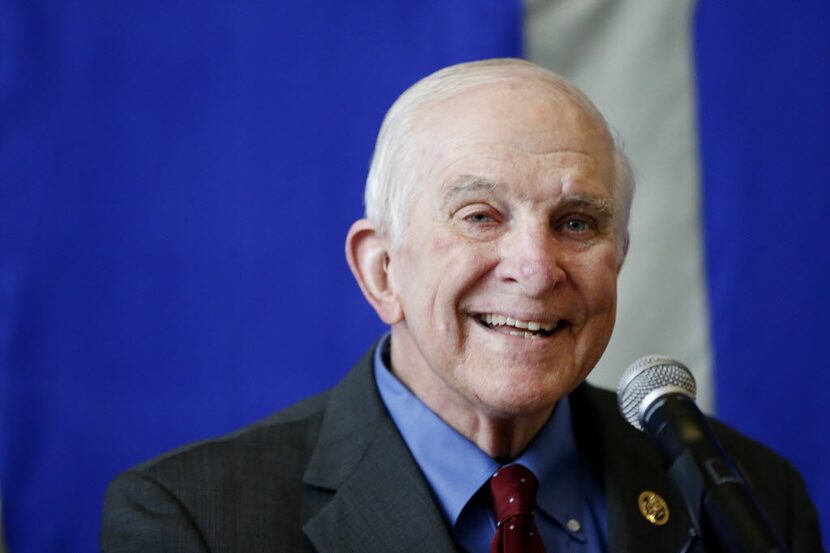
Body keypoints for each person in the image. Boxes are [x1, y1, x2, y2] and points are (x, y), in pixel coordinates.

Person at [100, 59, 823, 552]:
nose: (537, 270)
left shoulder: (753, 498)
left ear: (619, 257)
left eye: (577, 222)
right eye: (479, 215)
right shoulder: (194, 521)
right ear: (382, 270)